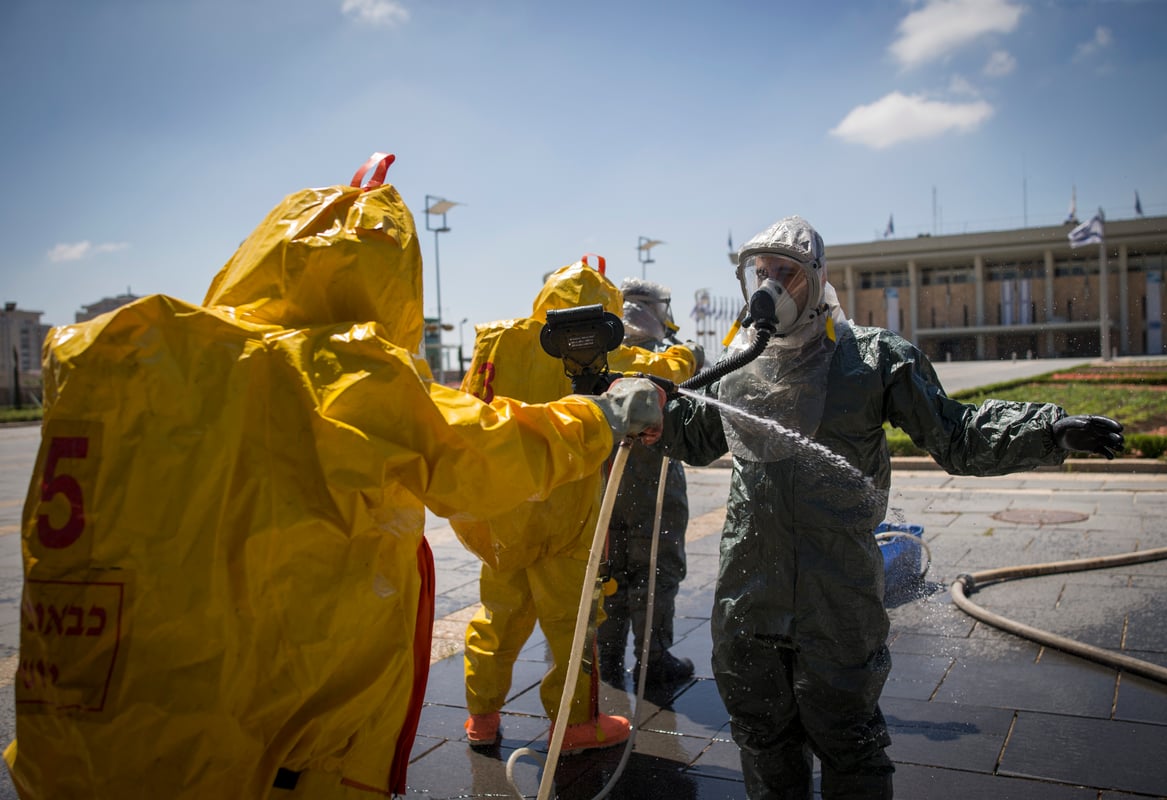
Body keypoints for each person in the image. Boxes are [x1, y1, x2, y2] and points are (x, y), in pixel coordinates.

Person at [4, 159, 668, 800]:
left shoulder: (105, 351)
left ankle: (482, 710)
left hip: (75, 734)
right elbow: (479, 452)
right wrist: (598, 417)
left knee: (495, 620)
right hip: (258, 747)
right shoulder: (333, 370)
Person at [655, 215, 1124, 800]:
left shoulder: (871, 359)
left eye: (787, 274)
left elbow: (955, 435)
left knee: (849, 745)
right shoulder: (742, 365)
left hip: (837, 602)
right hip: (747, 600)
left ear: (817, 280)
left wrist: (1050, 431)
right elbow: (695, 436)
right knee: (761, 740)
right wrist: (634, 404)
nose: (770, 287)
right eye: (762, 274)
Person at [453, 260, 699, 754]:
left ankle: (482, 716)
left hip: (504, 510)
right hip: (566, 517)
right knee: (573, 624)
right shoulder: (603, 352)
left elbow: (470, 406)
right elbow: (662, 366)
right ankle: (575, 725)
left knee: (497, 617)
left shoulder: (497, 340)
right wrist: (682, 355)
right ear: (604, 312)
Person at [597, 277, 701, 689]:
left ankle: (606, 659)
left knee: (610, 574)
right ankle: (652, 659)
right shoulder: (665, 357)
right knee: (656, 572)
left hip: (606, 486)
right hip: (657, 486)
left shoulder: (601, 355)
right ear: (657, 309)